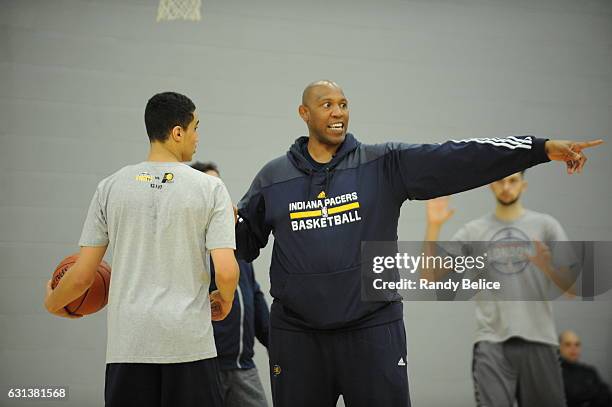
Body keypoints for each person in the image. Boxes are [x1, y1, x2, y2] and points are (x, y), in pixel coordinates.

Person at [235, 79, 602, 407]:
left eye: (343, 104)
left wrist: (540, 149)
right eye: (327, 104)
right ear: (304, 112)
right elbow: (241, 243)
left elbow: (461, 156)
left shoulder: (383, 163)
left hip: (372, 328)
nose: (338, 113)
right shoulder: (273, 177)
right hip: (298, 335)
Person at [44, 92, 239, 407]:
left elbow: (82, 276)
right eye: (196, 127)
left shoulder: (110, 187)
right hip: (189, 346)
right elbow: (227, 271)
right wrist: (224, 298)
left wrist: (54, 303)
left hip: (129, 347)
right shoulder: (210, 188)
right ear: (178, 132)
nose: (197, 137)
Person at [424, 171, 577, 407]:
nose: (506, 186)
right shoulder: (473, 231)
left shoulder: (546, 225)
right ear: (491, 186)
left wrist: (548, 269)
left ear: (523, 185)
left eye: (513, 180)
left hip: (539, 338)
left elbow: (571, 287)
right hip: (491, 341)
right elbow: (429, 277)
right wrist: (433, 227)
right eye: (500, 181)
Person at [192, 161, 271, 407]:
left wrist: (275, 343)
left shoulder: (234, 244)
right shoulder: (190, 247)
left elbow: (254, 299)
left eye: (220, 185)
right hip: (204, 366)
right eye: (210, 185)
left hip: (242, 366)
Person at [559, 330, 612, 407]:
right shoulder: (555, 374)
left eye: (577, 345)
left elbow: (606, 397)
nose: (573, 348)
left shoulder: (590, 372)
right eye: (568, 344)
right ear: (559, 347)